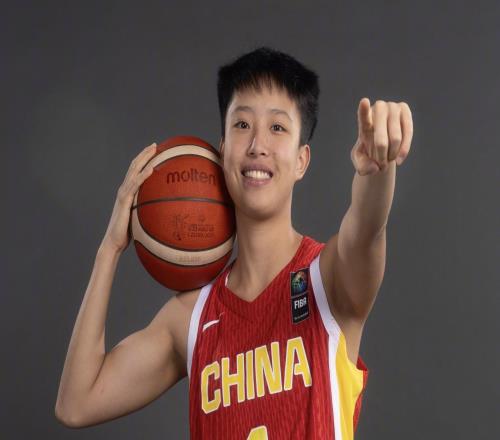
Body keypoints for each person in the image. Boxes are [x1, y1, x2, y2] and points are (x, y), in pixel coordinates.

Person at [55, 47, 413, 439]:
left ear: (301, 160)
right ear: (223, 149)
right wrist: (109, 249)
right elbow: (77, 403)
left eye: (277, 128)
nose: (258, 144)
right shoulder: (191, 316)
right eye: (242, 124)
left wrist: (378, 168)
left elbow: (367, 228)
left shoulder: (329, 281)